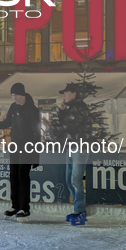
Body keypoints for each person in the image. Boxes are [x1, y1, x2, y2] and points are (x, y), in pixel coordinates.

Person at [0, 83, 41, 220]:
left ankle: (25, 208)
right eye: (12, 96)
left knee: (23, 175)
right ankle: (15, 205)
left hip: (27, 147)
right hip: (15, 146)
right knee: (13, 175)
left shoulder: (32, 110)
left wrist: (36, 156)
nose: (14, 98)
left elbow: (37, 133)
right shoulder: (13, 107)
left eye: (16, 95)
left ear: (22, 94)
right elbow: (7, 124)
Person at [45, 83, 91, 226]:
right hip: (71, 146)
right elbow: (66, 123)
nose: (64, 96)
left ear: (74, 93)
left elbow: (71, 126)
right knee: (69, 179)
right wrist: (62, 112)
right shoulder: (71, 108)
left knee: (76, 179)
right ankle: (78, 208)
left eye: (66, 93)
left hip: (80, 146)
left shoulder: (80, 108)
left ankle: (80, 211)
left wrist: (52, 128)